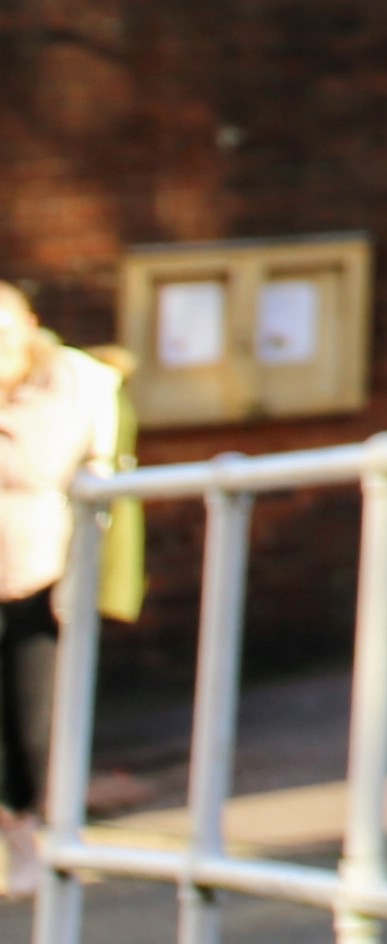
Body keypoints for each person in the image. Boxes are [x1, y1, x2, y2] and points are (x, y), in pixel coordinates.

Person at [0, 285, 118, 900]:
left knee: (30, 720)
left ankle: (30, 838)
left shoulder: (70, 384)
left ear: (27, 328)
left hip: (34, 577)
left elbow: (70, 463)